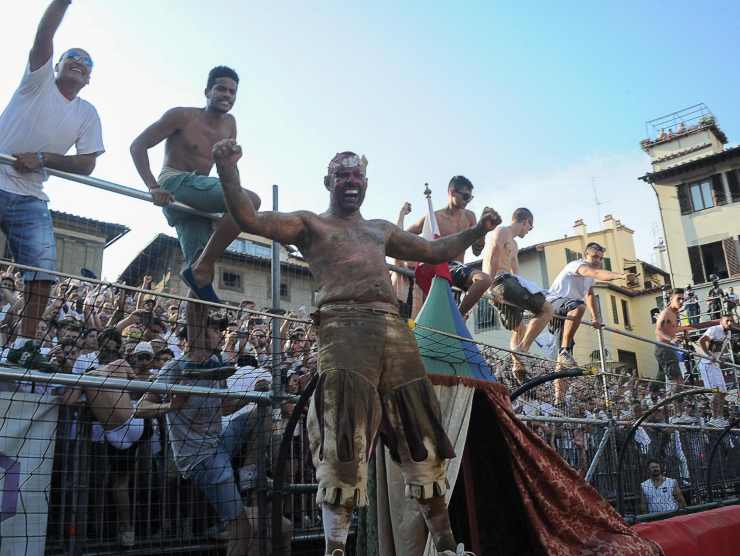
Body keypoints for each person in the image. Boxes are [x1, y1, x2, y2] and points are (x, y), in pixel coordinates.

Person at [209, 139, 499, 556]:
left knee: (422, 431)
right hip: (343, 324)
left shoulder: (378, 229)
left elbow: (435, 250)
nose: (350, 181)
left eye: (357, 175)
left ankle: (447, 545)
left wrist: (477, 231)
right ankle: (335, 547)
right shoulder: (311, 224)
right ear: (328, 181)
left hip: (393, 326)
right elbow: (248, 217)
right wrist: (228, 170)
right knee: (344, 432)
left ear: (366, 183)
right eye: (342, 175)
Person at [2, 0, 104, 368]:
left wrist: (43, 159)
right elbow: (44, 34)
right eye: (72, 57)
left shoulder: (87, 112)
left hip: (30, 195)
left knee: (43, 272)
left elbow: (88, 163)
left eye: (87, 62)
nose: (79, 61)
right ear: (56, 65)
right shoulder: (38, 81)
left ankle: (25, 346)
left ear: (90, 77)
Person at [130, 66, 261, 303]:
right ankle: (203, 264)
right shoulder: (182, 116)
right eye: (221, 88)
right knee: (251, 201)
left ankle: (196, 332)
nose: (227, 95)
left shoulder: (230, 124)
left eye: (233, 92)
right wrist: (152, 187)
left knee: (200, 282)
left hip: (198, 200)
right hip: (174, 183)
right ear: (207, 91)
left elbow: (229, 168)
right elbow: (137, 145)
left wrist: (230, 209)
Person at [144, 299, 258, 556]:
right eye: (214, 329)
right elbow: (140, 407)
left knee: (255, 416)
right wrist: (171, 406)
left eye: (221, 329)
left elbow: (226, 407)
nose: (220, 334)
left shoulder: (217, 365)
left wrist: (255, 396)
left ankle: (251, 475)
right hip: (199, 456)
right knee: (242, 529)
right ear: (196, 333)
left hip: (217, 442)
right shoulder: (175, 368)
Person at [546, 242, 635, 401]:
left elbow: (589, 294)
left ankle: (559, 399)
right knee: (579, 308)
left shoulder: (588, 278)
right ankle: (564, 350)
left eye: (600, 258)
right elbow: (596, 274)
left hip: (566, 312)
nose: (597, 261)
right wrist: (621, 276)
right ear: (585, 256)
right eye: (594, 257)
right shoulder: (579, 265)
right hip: (554, 304)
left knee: (563, 363)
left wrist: (595, 317)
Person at [483, 208, 553, 383]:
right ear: (525, 221)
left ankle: (518, 368)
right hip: (500, 282)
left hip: (507, 284)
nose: (529, 231)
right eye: (530, 227)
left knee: (520, 328)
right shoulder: (501, 231)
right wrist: (488, 285)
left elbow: (517, 274)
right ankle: (523, 349)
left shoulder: (514, 245)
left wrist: (531, 290)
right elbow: (492, 256)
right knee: (547, 310)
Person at [406, 175, 492, 318]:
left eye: (470, 198)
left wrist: (483, 229)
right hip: (437, 266)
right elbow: (405, 236)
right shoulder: (434, 217)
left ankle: (457, 316)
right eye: (465, 196)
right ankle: (457, 317)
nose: (467, 201)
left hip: (457, 271)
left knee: (484, 281)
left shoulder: (469, 216)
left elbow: (477, 251)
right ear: (452, 192)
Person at [654, 289, 685, 392]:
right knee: (677, 381)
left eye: (683, 299)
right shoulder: (666, 313)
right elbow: (658, 331)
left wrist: (677, 337)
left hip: (668, 348)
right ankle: (676, 405)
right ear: (671, 299)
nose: (681, 302)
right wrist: (672, 339)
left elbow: (668, 330)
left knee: (674, 380)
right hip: (664, 348)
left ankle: (654, 391)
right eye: (678, 299)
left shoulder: (674, 313)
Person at [697, 315, 734, 392]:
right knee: (715, 392)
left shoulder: (729, 333)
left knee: (723, 391)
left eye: (731, 321)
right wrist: (709, 355)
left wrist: (721, 356)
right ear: (721, 322)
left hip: (715, 364)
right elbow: (701, 341)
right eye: (727, 321)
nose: (729, 323)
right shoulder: (714, 330)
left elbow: (722, 347)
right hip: (707, 364)